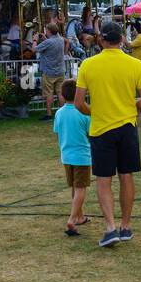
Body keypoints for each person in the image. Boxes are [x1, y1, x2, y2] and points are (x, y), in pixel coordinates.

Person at [74, 21, 141, 248]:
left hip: (101, 128)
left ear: (101, 40)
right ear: (121, 39)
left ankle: (110, 227)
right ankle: (126, 225)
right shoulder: (134, 64)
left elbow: (79, 103)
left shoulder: (88, 65)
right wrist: (130, 107)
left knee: (103, 180)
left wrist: (95, 111)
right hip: (127, 126)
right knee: (126, 176)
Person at [53, 79, 92, 237]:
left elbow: (57, 131)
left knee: (74, 188)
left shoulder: (59, 113)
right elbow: (91, 133)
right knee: (81, 189)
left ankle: (80, 217)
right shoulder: (84, 113)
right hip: (82, 157)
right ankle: (72, 219)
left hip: (66, 156)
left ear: (62, 95)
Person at [35, 22, 68, 119]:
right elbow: (51, 43)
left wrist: (34, 39)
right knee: (60, 93)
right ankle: (63, 113)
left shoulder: (48, 42)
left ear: (49, 31)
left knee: (48, 93)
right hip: (60, 70)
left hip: (49, 72)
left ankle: (49, 114)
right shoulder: (61, 40)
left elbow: (34, 49)